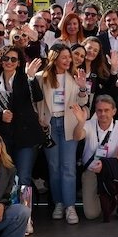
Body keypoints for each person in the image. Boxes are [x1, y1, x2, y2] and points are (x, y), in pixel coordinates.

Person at [38, 44, 92, 221]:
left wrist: (83, 88)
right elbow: (35, 102)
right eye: (64, 57)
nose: (69, 60)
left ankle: (70, 206)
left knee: (68, 167)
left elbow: (82, 101)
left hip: (69, 123)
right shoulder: (41, 78)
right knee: (54, 167)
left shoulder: (74, 77)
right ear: (54, 59)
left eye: (69, 57)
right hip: (50, 124)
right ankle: (58, 203)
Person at [0, 44, 44, 189]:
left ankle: (25, 211)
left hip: (26, 137)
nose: (9, 62)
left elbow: (37, 97)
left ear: (19, 62)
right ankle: (3, 210)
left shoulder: (25, 79)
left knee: (23, 178)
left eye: (13, 59)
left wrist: (31, 77)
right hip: (1, 139)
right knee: (2, 177)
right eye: (6, 58)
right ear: (0, 60)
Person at [78, 95, 118, 221]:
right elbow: (77, 136)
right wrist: (80, 122)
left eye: (106, 110)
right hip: (91, 170)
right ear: (95, 111)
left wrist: (104, 166)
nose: (103, 114)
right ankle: (104, 198)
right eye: (99, 110)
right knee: (91, 215)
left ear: (114, 111)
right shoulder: (89, 124)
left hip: (110, 169)